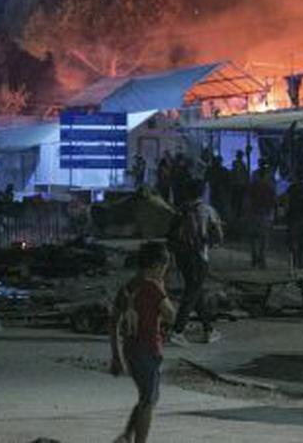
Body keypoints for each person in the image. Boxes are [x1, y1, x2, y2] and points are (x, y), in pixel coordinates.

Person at [110, 241, 176, 443]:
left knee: (146, 397)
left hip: (131, 350)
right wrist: (162, 288)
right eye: (164, 268)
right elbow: (170, 315)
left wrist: (116, 356)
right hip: (148, 350)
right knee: (149, 401)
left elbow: (113, 324)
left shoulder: (127, 287)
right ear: (157, 266)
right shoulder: (153, 287)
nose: (164, 272)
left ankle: (127, 435)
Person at [167, 179, 224, 344]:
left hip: (181, 256)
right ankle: (178, 331)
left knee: (195, 291)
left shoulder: (180, 210)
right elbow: (218, 236)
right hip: (199, 256)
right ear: (203, 192)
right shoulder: (207, 210)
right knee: (192, 292)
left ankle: (208, 329)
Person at [246, 164, 276, 268]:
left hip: (255, 212)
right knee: (264, 238)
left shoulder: (254, 184)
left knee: (254, 237)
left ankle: (255, 258)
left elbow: (249, 198)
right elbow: (273, 199)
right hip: (265, 213)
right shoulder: (270, 184)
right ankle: (261, 259)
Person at [229, 150, 249, 226]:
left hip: (240, 185)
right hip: (236, 185)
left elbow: (244, 175)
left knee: (239, 202)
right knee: (235, 202)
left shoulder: (243, 165)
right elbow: (234, 174)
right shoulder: (236, 164)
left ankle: (238, 217)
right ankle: (235, 217)